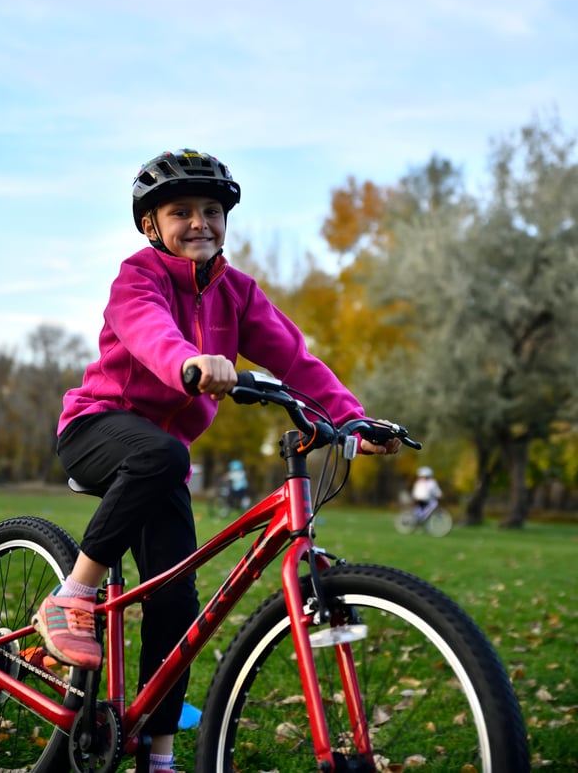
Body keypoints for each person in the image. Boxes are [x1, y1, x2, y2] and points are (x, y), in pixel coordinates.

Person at [32, 148, 401, 773]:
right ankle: (73, 594)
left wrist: (350, 419)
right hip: (97, 428)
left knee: (176, 603)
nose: (199, 222)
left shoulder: (238, 295)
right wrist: (188, 362)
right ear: (152, 225)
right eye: (181, 212)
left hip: (162, 460)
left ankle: (159, 756)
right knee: (158, 450)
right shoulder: (137, 276)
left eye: (212, 211)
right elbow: (149, 329)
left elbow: (296, 361)